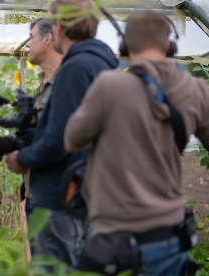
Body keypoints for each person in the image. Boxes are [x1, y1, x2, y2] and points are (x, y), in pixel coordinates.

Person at [64, 10, 208, 275]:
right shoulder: (196, 90)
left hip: (117, 242)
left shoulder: (108, 86)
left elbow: (72, 139)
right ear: (169, 46)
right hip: (172, 237)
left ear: (124, 46)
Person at [5, 0, 118, 268]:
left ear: (58, 27)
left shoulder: (75, 68)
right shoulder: (102, 65)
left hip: (60, 197)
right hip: (88, 191)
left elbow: (58, 141)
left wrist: (21, 158)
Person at [20, 17, 62, 256]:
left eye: (31, 38)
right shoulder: (43, 87)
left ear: (48, 38)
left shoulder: (69, 83)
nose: (27, 45)